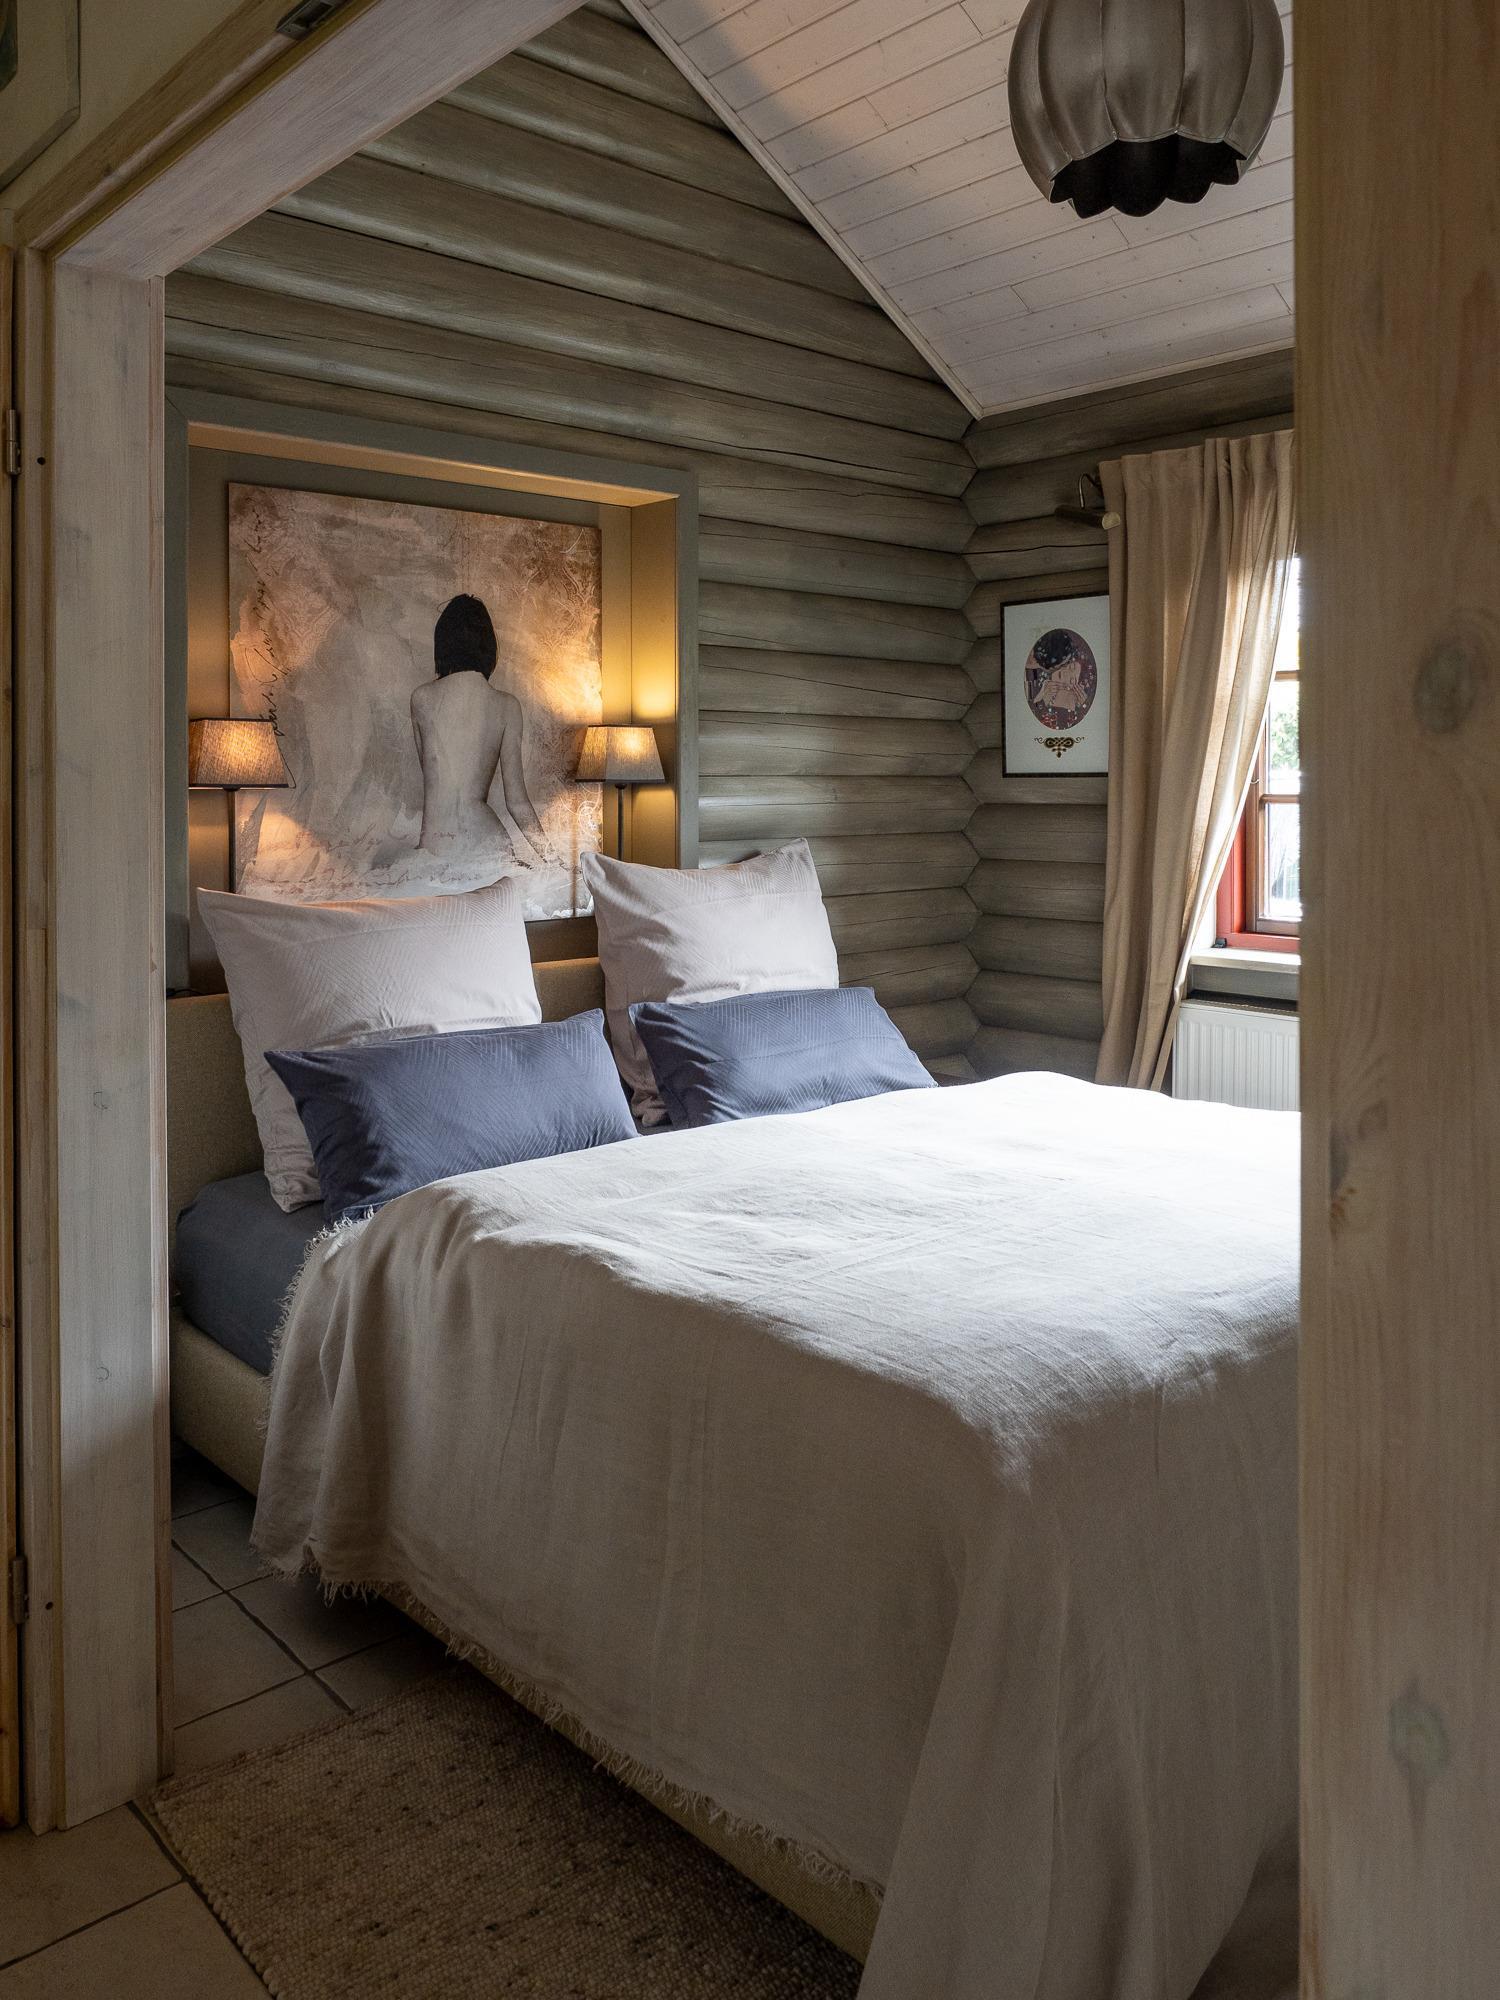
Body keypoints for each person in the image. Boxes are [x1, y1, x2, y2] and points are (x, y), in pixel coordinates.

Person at [403, 593, 560, 869]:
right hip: (487, 844)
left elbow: (433, 783)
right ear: (488, 646)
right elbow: (517, 802)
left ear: (443, 643)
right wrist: (552, 860)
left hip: (438, 846)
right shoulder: (506, 705)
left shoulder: (421, 699)